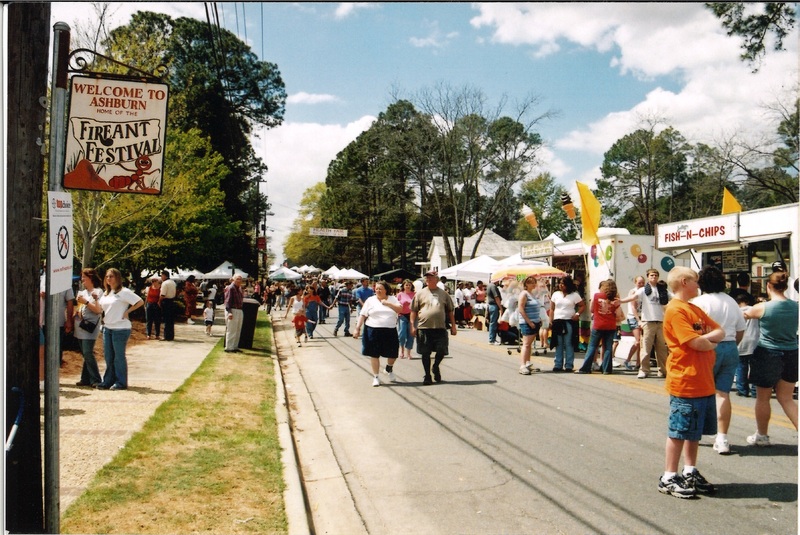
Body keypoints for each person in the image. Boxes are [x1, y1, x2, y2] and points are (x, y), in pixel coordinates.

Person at [659, 266, 725, 498]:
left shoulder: (693, 309)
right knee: (679, 430)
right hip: (685, 380)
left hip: (703, 379)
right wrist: (708, 341)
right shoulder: (676, 311)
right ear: (685, 282)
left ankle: (689, 471)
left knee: (693, 432)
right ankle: (668, 476)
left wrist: (705, 339)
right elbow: (693, 343)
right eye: (696, 281)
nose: (699, 285)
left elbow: (720, 331)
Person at [691, 265, 745, 455]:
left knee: (698, 392)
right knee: (723, 393)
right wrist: (731, 344)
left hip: (707, 347)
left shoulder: (698, 302)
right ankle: (722, 438)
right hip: (730, 346)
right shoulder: (731, 301)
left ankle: (694, 433)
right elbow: (740, 329)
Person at [743, 270, 799, 445]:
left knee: (763, 397)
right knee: (787, 398)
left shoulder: (763, 307)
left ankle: (762, 435)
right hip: (791, 352)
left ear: (768, 286)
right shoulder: (796, 306)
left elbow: (745, 314)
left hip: (767, 353)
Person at [96, 268, 144, 390]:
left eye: (111, 276)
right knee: (108, 356)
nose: (108, 279)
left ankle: (121, 382)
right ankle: (108, 380)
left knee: (119, 356)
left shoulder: (124, 292)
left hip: (120, 328)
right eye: (107, 277)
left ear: (118, 278)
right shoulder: (106, 293)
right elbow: (101, 309)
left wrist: (128, 312)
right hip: (108, 328)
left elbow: (139, 301)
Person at [410, 271, 457, 385]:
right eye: (427, 278)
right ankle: (427, 375)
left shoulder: (444, 294)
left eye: (431, 278)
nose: (428, 280)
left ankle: (435, 366)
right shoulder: (420, 294)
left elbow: (450, 311)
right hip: (424, 327)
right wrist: (412, 326)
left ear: (437, 279)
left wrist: (454, 326)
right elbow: (413, 311)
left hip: (440, 327)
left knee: (441, 350)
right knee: (425, 352)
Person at [620, 269, 669, 379]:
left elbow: (673, 297)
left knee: (661, 349)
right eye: (652, 275)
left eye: (656, 275)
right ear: (648, 277)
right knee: (646, 348)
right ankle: (644, 370)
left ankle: (663, 370)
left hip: (660, 322)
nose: (654, 277)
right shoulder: (643, 290)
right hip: (648, 322)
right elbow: (633, 298)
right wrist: (621, 301)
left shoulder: (662, 290)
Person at [353, 280, 403, 387]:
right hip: (373, 330)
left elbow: (400, 309)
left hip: (390, 330)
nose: (378, 291)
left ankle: (389, 368)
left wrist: (387, 303)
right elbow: (363, 315)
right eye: (376, 289)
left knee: (393, 354)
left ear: (386, 290)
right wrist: (357, 328)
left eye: (380, 289)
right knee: (374, 354)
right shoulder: (370, 300)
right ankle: (376, 377)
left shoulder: (393, 299)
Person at [576, 279, 621, 375]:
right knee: (608, 347)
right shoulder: (616, 298)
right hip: (610, 325)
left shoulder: (597, 296)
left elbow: (592, 310)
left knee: (592, 346)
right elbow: (618, 314)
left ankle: (586, 368)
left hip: (598, 324)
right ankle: (606, 369)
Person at [74, 268, 104, 387]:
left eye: (84, 278)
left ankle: (96, 379)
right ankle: (85, 378)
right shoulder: (82, 292)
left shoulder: (98, 292)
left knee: (88, 352)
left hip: (90, 327)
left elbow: (98, 310)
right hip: (80, 325)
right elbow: (79, 307)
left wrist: (86, 302)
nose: (82, 280)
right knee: (85, 353)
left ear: (90, 278)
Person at [549, 275, 585, 372]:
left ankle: (569, 365)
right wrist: (550, 320)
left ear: (568, 285)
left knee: (569, 343)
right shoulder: (555, 294)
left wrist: (577, 314)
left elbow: (582, 306)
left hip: (569, 321)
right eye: (560, 283)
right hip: (557, 321)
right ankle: (558, 364)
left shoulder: (575, 295)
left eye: (563, 284)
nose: (561, 285)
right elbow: (552, 308)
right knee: (559, 343)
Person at [734, 293, 759, 398]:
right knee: (755, 368)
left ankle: (742, 390)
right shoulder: (755, 309)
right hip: (754, 340)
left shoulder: (736, 312)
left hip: (742, 341)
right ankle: (755, 391)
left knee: (741, 367)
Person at [517, 276, 542, 375]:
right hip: (527, 322)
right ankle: (522, 365)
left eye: (534, 282)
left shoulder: (532, 294)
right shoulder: (524, 294)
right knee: (526, 344)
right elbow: (521, 308)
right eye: (531, 282)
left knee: (529, 344)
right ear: (526, 284)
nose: (533, 284)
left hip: (535, 321)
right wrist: (529, 321)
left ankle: (527, 362)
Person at [622, 276, 645, 370]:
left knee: (642, 342)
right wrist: (638, 320)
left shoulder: (645, 292)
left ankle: (639, 363)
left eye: (643, 282)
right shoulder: (633, 292)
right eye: (639, 282)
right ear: (635, 283)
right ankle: (627, 360)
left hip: (643, 317)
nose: (641, 284)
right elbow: (633, 307)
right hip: (633, 317)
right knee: (638, 340)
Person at [224, 274, 244, 353]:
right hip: (233, 310)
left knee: (238, 329)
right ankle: (229, 347)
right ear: (233, 279)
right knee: (232, 329)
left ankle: (235, 346)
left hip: (239, 310)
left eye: (240, 279)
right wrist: (229, 312)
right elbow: (227, 301)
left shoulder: (238, 288)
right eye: (238, 279)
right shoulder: (231, 288)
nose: (239, 281)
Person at [396, 279, 416, 359]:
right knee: (402, 334)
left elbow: (417, 304)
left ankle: (408, 353)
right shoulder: (400, 294)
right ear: (403, 286)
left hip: (412, 315)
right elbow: (396, 304)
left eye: (409, 285)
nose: (408, 286)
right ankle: (402, 350)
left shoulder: (415, 294)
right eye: (406, 285)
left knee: (411, 335)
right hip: (402, 315)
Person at [533, 279, 551, 354]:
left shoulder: (534, 291)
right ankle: (546, 342)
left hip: (537, 310)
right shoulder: (544, 291)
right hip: (544, 309)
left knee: (541, 327)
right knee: (545, 326)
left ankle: (541, 342)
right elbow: (549, 297)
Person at [158, 270, 177, 341]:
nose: (161, 277)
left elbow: (162, 294)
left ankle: (166, 336)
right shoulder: (173, 282)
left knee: (166, 319)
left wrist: (159, 302)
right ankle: (171, 336)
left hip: (166, 301)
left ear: (165, 275)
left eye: (161, 275)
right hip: (172, 301)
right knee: (171, 320)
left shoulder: (165, 283)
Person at [486, 279, 503, 345]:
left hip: (491, 306)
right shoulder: (493, 286)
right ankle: (492, 339)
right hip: (494, 306)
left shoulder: (489, 285)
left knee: (492, 322)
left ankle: (492, 338)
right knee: (493, 323)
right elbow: (496, 298)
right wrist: (500, 308)